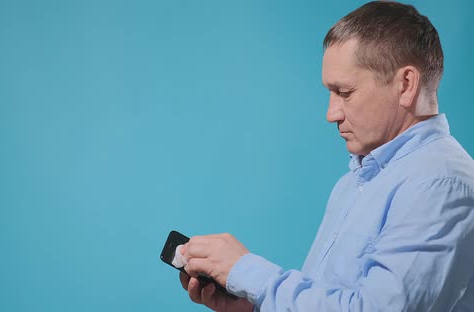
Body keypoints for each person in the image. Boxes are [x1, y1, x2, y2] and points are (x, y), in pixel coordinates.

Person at [177, 1, 474, 311]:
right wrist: (253, 306)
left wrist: (248, 273)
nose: (331, 113)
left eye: (344, 92)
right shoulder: (355, 182)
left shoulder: (441, 185)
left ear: (406, 84)